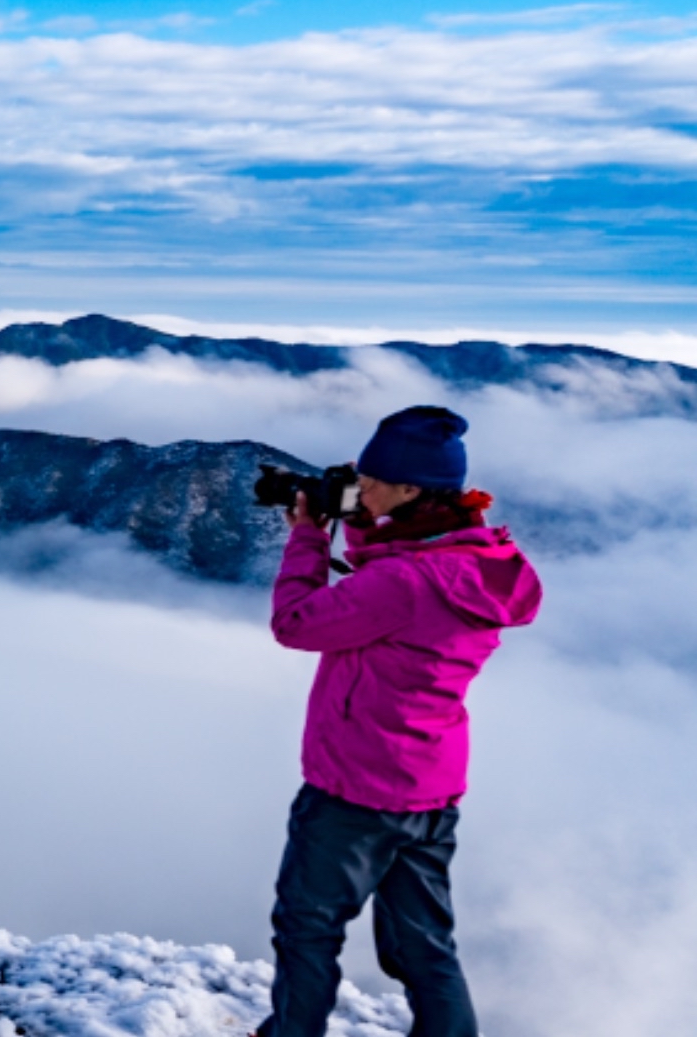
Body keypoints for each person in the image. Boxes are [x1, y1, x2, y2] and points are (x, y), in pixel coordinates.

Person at [255, 406, 542, 1037]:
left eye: (371, 478)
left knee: (308, 930)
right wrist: (365, 522)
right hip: (431, 788)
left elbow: (296, 623)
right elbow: (392, 584)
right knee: (424, 947)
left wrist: (307, 535)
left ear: (409, 489)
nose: (361, 484)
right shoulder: (475, 562)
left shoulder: (406, 582)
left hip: (354, 790)